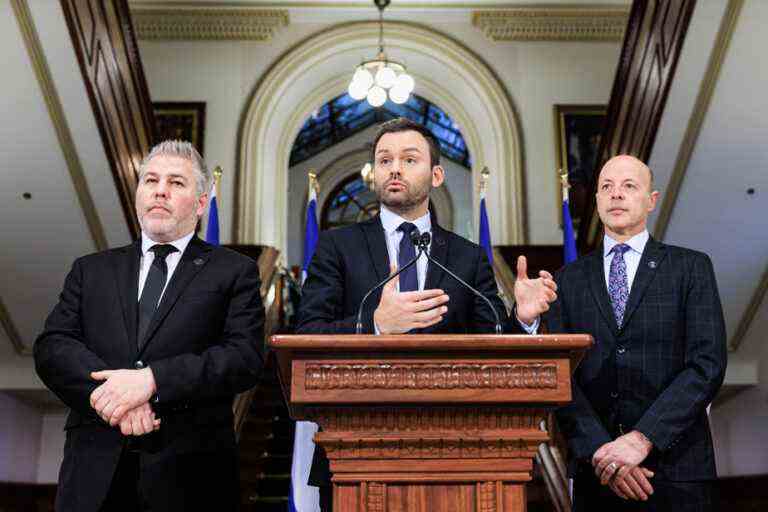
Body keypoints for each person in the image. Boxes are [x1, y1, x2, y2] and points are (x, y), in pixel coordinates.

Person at [296, 117, 553, 509]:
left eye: (408, 159)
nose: (394, 168)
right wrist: (377, 325)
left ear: (436, 174)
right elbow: (308, 334)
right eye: (384, 160)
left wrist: (525, 319)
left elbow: (497, 346)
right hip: (353, 450)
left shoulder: (467, 257)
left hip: (461, 454)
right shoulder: (337, 247)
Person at [34, 140, 265, 512]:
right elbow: (52, 347)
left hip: (190, 477)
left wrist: (152, 381)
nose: (160, 190)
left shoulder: (234, 271)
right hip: (93, 475)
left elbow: (243, 358)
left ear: (202, 203)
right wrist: (112, 400)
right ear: (138, 194)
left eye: (176, 182)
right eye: (150, 180)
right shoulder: (90, 270)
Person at [514, 155, 727, 511]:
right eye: (607, 187)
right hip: (597, 474)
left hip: (677, 472)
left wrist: (642, 440)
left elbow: (707, 365)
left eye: (629, 186)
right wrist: (604, 452)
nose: (616, 195)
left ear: (651, 200)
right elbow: (560, 377)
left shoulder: (691, 268)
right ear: (596, 200)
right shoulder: (566, 280)